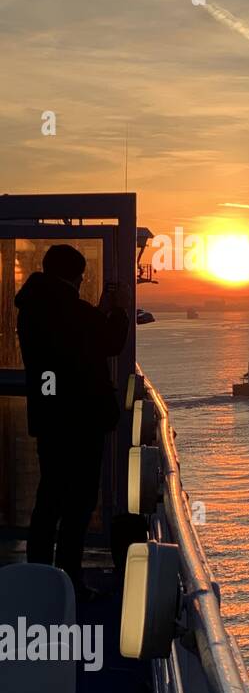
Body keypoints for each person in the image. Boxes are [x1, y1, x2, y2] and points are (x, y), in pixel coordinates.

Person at [15, 244, 129, 600]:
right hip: (80, 421)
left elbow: (72, 346)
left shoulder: (33, 307)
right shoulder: (71, 310)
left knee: (48, 499)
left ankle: (37, 576)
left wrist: (98, 313)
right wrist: (119, 311)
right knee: (78, 504)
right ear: (76, 275)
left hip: (50, 417)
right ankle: (68, 580)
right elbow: (107, 342)